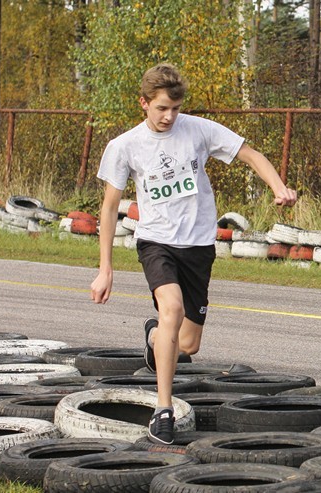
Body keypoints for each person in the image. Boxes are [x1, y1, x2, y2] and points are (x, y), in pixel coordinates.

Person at [90, 63, 296, 444]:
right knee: (171, 309)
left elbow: (250, 154)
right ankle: (163, 409)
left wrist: (278, 186)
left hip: (199, 245)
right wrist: (106, 268)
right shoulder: (124, 146)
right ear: (144, 103)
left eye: (175, 109)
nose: (169, 116)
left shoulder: (199, 130)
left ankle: (155, 338)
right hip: (157, 242)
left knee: (187, 344)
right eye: (161, 108)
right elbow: (108, 207)